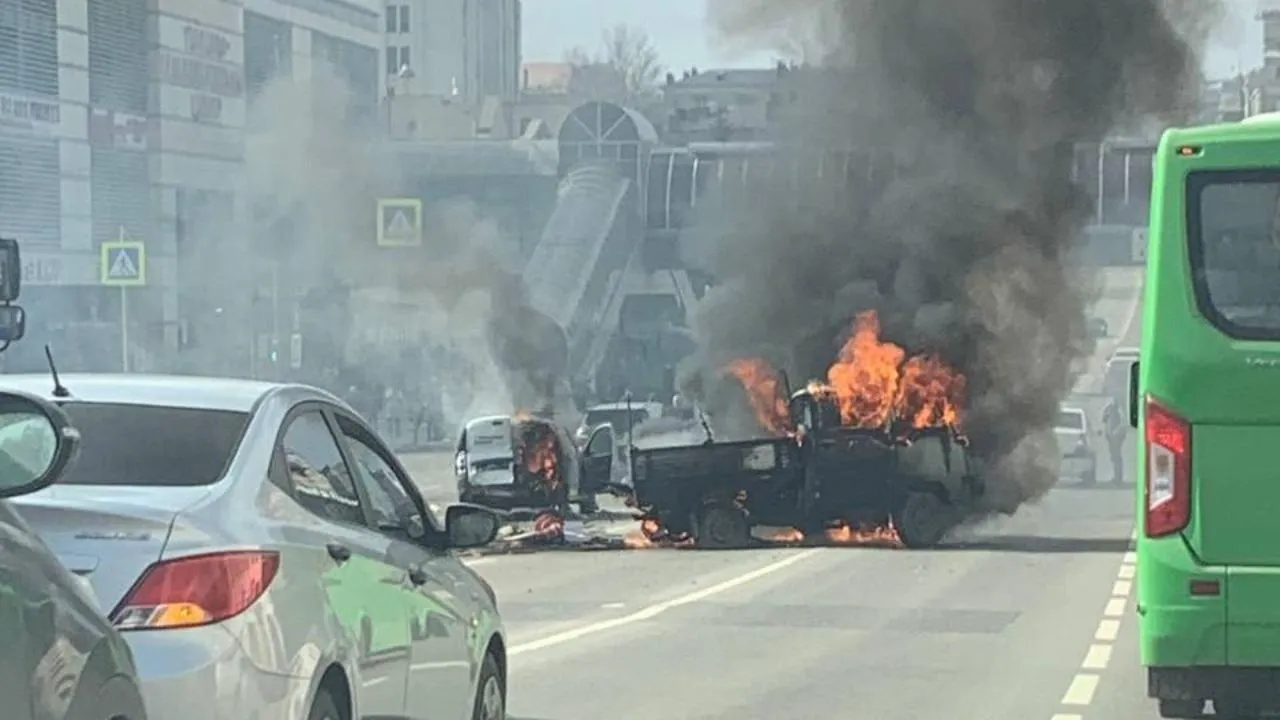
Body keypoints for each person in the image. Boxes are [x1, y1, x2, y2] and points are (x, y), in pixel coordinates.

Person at [1102, 398, 1127, 484]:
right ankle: (1116, 476)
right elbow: (1103, 419)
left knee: (1116, 456)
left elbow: (1123, 422)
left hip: (1117, 437)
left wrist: (1116, 432)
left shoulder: (1119, 411)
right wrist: (1106, 409)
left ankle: (1118, 477)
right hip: (1110, 437)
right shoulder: (1110, 411)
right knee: (1114, 456)